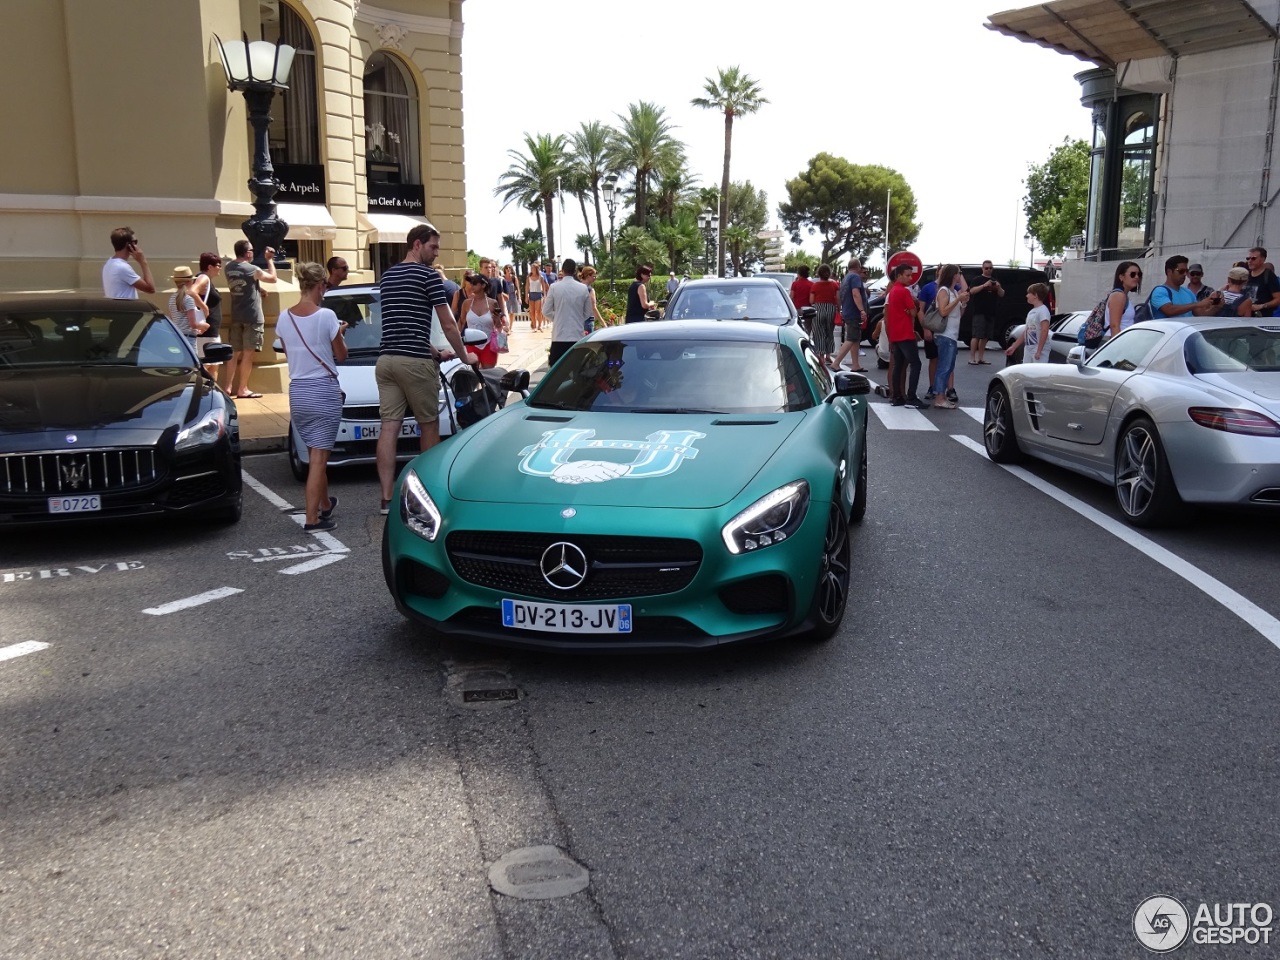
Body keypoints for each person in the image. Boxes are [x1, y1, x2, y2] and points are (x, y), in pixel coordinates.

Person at [375, 223, 477, 514]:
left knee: (389, 427)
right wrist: (464, 355)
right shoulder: (428, 276)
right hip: (415, 362)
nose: (436, 253)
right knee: (429, 424)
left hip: (386, 360)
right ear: (416, 244)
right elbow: (447, 323)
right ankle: (427, 497)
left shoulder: (388, 276)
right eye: (433, 247)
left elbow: (400, 324)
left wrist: (435, 351)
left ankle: (386, 498)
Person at [275, 262, 348, 533]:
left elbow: (290, 354)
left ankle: (326, 503)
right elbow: (340, 356)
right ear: (320, 286)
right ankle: (312, 518)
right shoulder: (327, 316)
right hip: (323, 388)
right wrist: (339, 333)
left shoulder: (284, 318)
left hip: (298, 391)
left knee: (317, 452)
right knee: (319, 458)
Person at [222, 239, 278, 399]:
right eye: (251, 250)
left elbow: (244, 284)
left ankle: (227, 386)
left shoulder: (229, 268)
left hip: (236, 315)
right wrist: (269, 260)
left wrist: (259, 289)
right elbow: (273, 278)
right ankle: (243, 389)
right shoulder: (253, 269)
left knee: (234, 352)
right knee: (248, 353)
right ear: (247, 253)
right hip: (252, 316)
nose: (253, 253)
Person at [885, 263, 925, 407]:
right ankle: (911, 396)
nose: (910, 278)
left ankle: (897, 396)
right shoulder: (903, 291)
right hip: (905, 333)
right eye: (907, 275)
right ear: (899, 275)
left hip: (895, 333)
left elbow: (888, 314)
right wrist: (911, 310)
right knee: (916, 364)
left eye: (911, 275)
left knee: (898, 365)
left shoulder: (892, 292)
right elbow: (914, 311)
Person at [930, 265, 968, 408]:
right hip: (945, 334)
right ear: (953, 275)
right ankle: (939, 397)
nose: (960, 276)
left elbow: (957, 314)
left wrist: (962, 303)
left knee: (949, 366)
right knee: (944, 367)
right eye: (959, 273)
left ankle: (942, 395)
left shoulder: (953, 292)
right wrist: (958, 301)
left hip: (952, 334)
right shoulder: (944, 290)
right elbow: (943, 311)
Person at [543, 258, 591, 364]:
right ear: (574, 271)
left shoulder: (554, 287)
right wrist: (578, 318)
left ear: (562, 270)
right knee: (577, 370)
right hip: (577, 335)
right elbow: (588, 312)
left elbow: (546, 311)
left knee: (556, 372)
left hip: (559, 335)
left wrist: (558, 317)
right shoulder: (583, 288)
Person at [1149, 255, 1224, 319]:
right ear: (1169, 272)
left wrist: (1216, 307)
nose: (1185, 274)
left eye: (1186, 271)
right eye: (1181, 271)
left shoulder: (1187, 292)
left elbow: (1200, 314)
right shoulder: (1159, 291)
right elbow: (1169, 310)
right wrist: (1197, 304)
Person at [831, 259, 869, 372]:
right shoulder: (855, 277)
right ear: (858, 267)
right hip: (854, 312)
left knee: (856, 338)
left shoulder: (846, 277)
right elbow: (855, 293)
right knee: (851, 338)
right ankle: (836, 363)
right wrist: (862, 310)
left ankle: (855, 365)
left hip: (848, 311)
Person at [459, 273, 502, 369]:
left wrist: (497, 319)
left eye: (474, 283)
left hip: (489, 345)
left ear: (483, 285)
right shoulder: (466, 303)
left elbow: (498, 325)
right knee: (473, 377)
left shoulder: (492, 303)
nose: (471, 285)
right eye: (471, 283)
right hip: (471, 344)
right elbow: (461, 322)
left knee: (488, 376)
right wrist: (456, 339)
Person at [190, 253, 224, 372]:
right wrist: (204, 307)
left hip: (209, 331)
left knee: (213, 366)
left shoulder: (206, 279)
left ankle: (207, 389)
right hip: (207, 332)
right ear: (210, 267)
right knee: (208, 365)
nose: (220, 268)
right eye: (218, 265)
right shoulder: (203, 278)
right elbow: (192, 292)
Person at [1006, 282, 1052, 365]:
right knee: (1027, 372)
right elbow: (1026, 331)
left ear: (1035, 295)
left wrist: (1039, 351)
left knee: (1037, 374)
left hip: (1039, 349)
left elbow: (1044, 331)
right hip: (1028, 348)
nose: (1027, 295)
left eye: (1029, 293)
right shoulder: (1031, 312)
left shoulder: (1043, 311)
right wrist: (1014, 347)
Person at [102, 227, 156, 299]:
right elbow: (150, 289)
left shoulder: (109, 263)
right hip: (126, 309)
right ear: (129, 245)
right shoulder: (122, 267)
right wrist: (143, 262)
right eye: (135, 242)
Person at [967, 260, 1003, 365]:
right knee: (976, 335)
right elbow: (971, 291)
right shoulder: (977, 279)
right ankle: (972, 358)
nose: (989, 270)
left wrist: (998, 287)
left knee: (985, 336)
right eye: (986, 268)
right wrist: (984, 286)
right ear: (982, 269)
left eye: (990, 268)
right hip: (979, 311)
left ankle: (981, 357)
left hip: (991, 312)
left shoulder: (995, 280)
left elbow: (1002, 294)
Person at [166, 266, 208, 352]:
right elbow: (193, 324)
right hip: (188, 340)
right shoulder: (188, 299)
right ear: (190, 281)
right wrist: (204, 326)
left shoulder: (172, 298)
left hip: (177, 338)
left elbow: (175, 320)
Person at [809, 263, 840, 367]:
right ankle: (828, 355)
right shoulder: (834, 284)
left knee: (819, 333)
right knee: (829, 332)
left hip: (818, 309)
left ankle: (821, 357)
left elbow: (811, 300)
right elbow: (838, 298)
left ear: (819, 274)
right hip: (831, 308)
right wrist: (838, 309)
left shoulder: (815, 285)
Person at [1104, 260, 1143, 337]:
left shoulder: (1123, 296)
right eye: (1132, 274)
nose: (1137, 277)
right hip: (1115, 341)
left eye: (1139, 274)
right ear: (1121, 277)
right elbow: (1114, 326)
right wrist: (1118, 346)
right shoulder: (1119, 296)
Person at [1242, 247, 1280, 316]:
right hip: (1245, 317)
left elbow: (1278, 299)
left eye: (1253, 258)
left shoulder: (1269, 276)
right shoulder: (1246, 275)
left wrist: (1262, 306)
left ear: (1262, 259)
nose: (1250, 261)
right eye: (1248, 258)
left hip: (1262, 317)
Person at [580, 264, 603, 333]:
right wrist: (603, 323)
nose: (595, 278)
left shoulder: (576, 288)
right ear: (588, 276)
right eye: (594, 276)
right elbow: (593, 308)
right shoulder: (590, 290)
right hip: (587, 321)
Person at [527, 261, 546, 332]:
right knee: (532, 312)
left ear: (537, 269)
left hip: (538, 294)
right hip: (531, 294)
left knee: (538, 311)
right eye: (531, 268)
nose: (532, 270)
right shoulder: (529, 277)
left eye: (534, 268)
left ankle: (539, 325)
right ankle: (534, 326)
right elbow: (526, 287)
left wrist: (544, 296)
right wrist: (526, 296)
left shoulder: (541, 277)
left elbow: (543, 287)